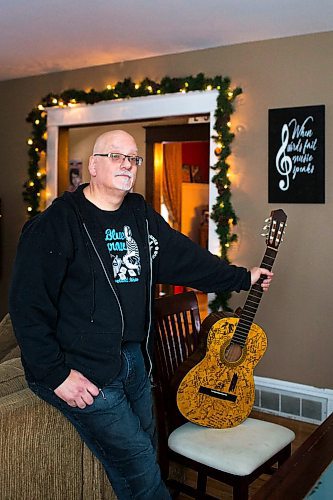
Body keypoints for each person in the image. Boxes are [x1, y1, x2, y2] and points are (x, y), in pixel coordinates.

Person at [9, 130, 273, 500]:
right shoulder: (56, 225)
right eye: (116, 156)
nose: (127, 164)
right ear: (94, 166)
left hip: (134, 359)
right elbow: (27, 306)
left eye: (132, 158)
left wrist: (242, 276)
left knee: (148, 447)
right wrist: (55, 375)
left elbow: (183, 257)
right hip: (83, 367)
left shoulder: (138, 213)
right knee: (140, 467)